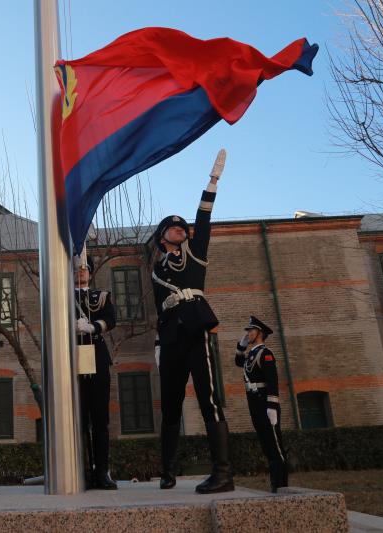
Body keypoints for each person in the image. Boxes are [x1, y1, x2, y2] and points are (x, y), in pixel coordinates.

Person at [151, 149, 234, 494]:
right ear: (161, 235)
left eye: (182, 227)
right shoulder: (156, 268)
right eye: (174, 226)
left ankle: (223, 473)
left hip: (196, 329)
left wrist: (211, 183)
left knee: (208, 398)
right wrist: (158, 343)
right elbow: (159, 309)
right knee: (170, 405)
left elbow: (203, 218)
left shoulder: (195, 252)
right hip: (171, 337)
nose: (181, 229)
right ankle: (167, 471)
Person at [74, 254, 117, 490]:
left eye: (84, 269)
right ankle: (82, 471)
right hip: (73, 356)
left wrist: (93, 326)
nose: (80, 272)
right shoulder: (63, 298)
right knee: (79, 419)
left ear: (90, 272)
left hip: (96, 355)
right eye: (77, 269)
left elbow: (112, 318)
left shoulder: (100, 296)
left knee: (100, 418)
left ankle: (102, 471)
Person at [235, 316, 288, 493]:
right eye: (248, 331)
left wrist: (272, 406)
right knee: (266, 444)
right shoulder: (251, 354)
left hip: (265, 404)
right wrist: (241, 346)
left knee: (275, 445)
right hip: (255, 404)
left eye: (251, 331)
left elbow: (272, 381)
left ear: (260, 333)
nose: (248, 333)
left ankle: (281, 484)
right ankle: (275, 484)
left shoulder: (266, 354)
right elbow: (238, 362)